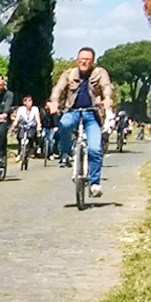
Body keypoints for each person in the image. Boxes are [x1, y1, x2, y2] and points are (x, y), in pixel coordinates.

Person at [48, 47, 114, 198]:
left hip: (92, 113)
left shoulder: (99, 73)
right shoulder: (69, 74)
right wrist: (54, 101)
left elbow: (106, 85)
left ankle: (95, 183)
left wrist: (107, 98)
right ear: (78, 60)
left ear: (92, 61)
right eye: (81, 59)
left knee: (95, 149)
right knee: (64, 125)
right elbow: (58, 88)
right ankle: (65, 154)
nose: (84, 62)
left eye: (87, 60)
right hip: (73, 111)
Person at [13, 94, 44, 161]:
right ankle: (19, 154)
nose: (30, 102)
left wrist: (38, 125)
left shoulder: (35, 109)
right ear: (24, 102)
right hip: (23, 126)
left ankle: (30, 151)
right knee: (20, 138)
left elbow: (37, 118)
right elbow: (18, 117)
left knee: (31, 137)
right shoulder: (21, 109)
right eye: (28, 101)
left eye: (31, 100)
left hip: (31, 126)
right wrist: (15, 123)